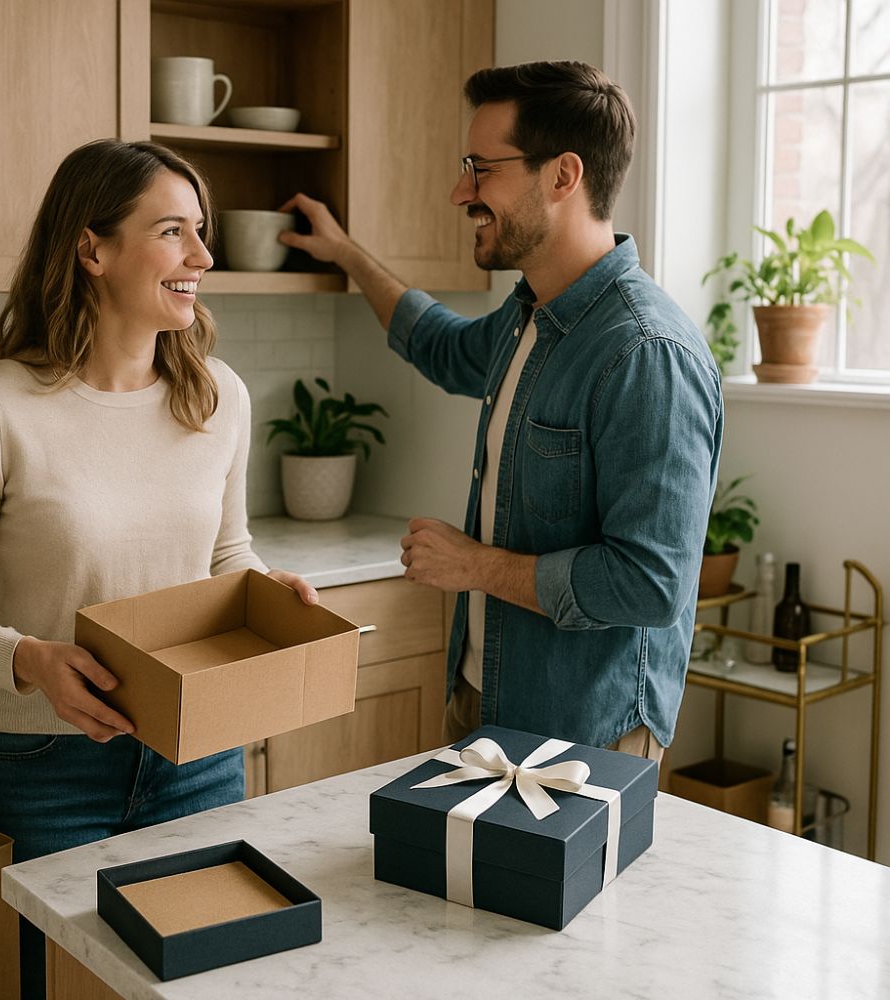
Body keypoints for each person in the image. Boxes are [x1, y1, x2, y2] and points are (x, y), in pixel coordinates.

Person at [0, 138, 317, 1000]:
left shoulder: (218, 395)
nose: (203, 257)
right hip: (39, 772)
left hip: (198, 756)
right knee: (46, 986)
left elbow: (225, 553)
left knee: (202, 985)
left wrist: (268, 590)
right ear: (91, 250)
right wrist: (32, 660)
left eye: (200, 232)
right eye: (173, 232)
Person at [279, 61, 723, 764]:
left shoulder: (646, 353)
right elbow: (439, 344)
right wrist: (344, 254)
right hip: (485, 702)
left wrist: (477, 567)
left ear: (562, 175)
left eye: (481, 168)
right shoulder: (528, 318)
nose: (461, 191)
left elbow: (650, 583)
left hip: (584, 735)